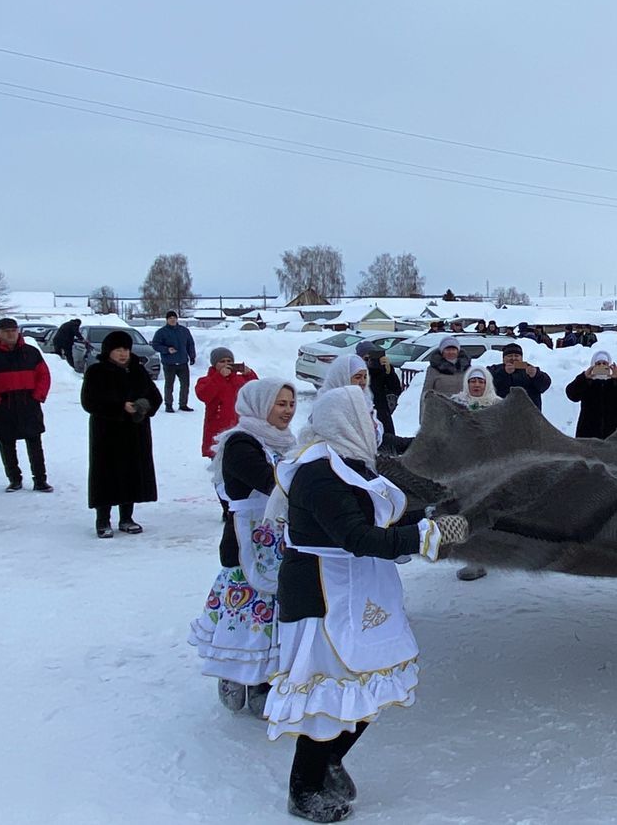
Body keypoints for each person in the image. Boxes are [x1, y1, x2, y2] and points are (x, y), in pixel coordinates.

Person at [264, 386, 468, 822]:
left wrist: (431, 515)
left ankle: (331, 760)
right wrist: (430, 535)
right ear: (346, 420)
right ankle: (303, 790)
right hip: (323, 594)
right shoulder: (318, 473)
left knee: (372, 677)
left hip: (359, 587)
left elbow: (380, 520)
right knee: (328, 689)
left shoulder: (349, 466)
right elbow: (356, 537)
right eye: (368, 412)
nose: (375, 421)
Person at [188, 379, 298, 715]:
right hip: (245, 543)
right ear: (260, 404)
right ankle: (233, 673)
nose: (288, 411)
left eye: (291, 404)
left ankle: (263, 679)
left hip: (279, 542)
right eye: (280, 404)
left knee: (270, 620)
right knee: (243, 617)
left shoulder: (286, 442)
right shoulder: (241, 443)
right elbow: (272, 482)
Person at [81, 330, 162, 538]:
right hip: (107, 433)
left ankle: (127, 517)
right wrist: (119, 407)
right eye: (118, 349)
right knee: (106, 475)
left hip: (135, 431)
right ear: (109, 351)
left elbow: (155, 397)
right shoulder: (97, 372)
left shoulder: (138, 371)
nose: (123, 353)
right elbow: (89, 402)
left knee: (132, 473)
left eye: (125, 349)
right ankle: (103, 520)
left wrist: (143, 406)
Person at [0, 317, 53, 493]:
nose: (11, 334)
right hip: (3, 405)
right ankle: (14, 479)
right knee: (7, 445)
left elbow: (44, 376)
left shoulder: (31, 352)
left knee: (35, 444)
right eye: (6, 331)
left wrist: (37, 396)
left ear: (18, 332)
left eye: (13, 330)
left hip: (29, 404)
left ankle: (40, 480)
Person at [451, 365, 501, 582]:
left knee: (484, 511)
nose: (477, 385)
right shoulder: (456, 403)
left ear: (487, 383)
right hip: (462, 467)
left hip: (490, 467)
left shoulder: (498, 405)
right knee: (464, 510)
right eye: (473, 381)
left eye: (481, 381)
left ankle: (481, 558)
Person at [194, 346, 258, 458]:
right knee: (219, 458)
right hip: (217, 427)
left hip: (238, 425)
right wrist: (219, 377)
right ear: (214, 364)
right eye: (222, 361)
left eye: (229, 361)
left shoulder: (240, 379)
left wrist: (249, 374)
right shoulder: (206, 380)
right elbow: (203, 395)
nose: (226, 364)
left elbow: (256, 390)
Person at [566, 351, 617, 439]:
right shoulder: (588, 382)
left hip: (615, 435)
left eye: (604, 363)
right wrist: (584, 377)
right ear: (593, 365)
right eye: (598, 364)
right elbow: (572, 395)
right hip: (588, 435)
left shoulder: (615, 382)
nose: (601, 366)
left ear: (609, 365)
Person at [151, 310, 197, 413]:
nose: (172, 320)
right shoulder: (161, 332)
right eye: (170, 318)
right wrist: (167, 350)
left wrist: (192, 356)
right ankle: (168, 405)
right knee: (169, 385)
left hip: (182, 362)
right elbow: (155, 345)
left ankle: (183, 404)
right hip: (169, 363)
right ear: (167, 320)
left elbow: (190, 344)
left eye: (174, 318)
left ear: (177, 319)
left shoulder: (184, 331)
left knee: (185, 385)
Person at [356, 341, 403, 438]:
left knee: (387, 442)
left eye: (372, 356)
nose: (370, 360)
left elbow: (396, 389)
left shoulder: (381, 368)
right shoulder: (356, 372)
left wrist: (389, 372)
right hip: (363, 414)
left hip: (381, 412)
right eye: (366, 358)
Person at [491, 341, 552, 410]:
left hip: (528, 413)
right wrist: (504, 372)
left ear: (521, 358)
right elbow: (486, 384)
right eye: (509, 356)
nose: (513, 358)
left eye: (516, 356)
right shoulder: (495, 369)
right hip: (502, 412)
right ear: (503, 358)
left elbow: (544, 386)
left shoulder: (529, 369)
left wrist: (536, 375)